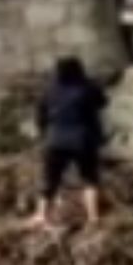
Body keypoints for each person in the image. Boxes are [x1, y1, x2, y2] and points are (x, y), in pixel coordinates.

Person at [32, 57, 108, 227]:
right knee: (89, 178)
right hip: (84, 139)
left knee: (49, 179)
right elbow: (103, 102)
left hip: (55, 140)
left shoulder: (49, 91)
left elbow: (40, 117)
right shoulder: (87, 87)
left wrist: (44, 135)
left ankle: (41, 216)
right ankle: (93, 217)